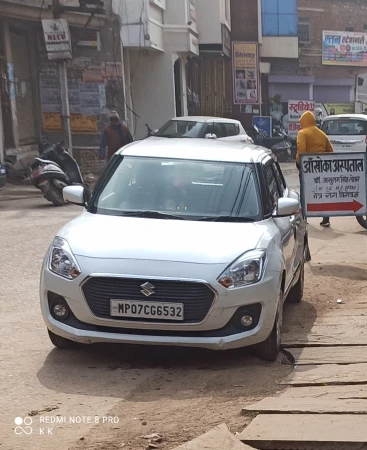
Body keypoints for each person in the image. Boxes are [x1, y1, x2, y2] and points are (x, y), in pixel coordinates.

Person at [296, 110, 334, 228]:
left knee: (305, 192)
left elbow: (301, 150)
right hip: (322, 168)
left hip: (307, 167)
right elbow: (331, 151)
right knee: (323, 192)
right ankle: (326, 219)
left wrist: (299, 163)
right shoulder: (322, 134)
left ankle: (304, 217)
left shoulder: (302, 133)